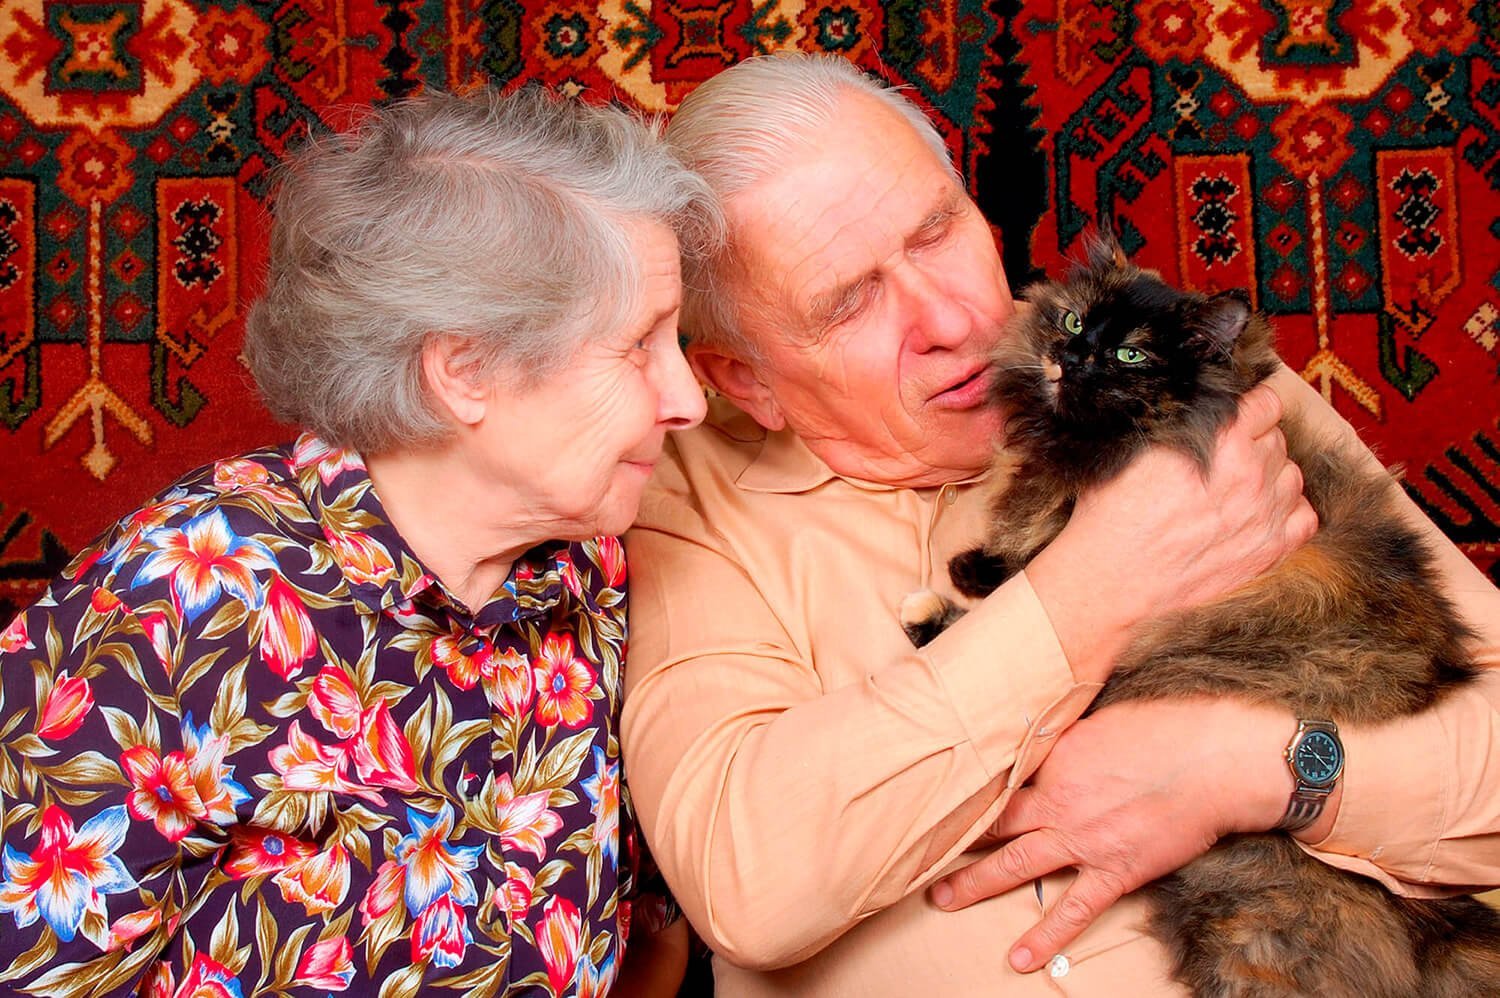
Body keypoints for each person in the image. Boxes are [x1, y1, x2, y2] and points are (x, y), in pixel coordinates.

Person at [620, 53, 1500, 994]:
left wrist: (1246, 768)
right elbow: (748, 883)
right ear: (744, 380)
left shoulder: (1191, 384)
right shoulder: (673, 499)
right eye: (850, 301)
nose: (951, 318)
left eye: (936, 231)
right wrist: (1097, 587)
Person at [0, 86, 718, 996]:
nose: (689, 400)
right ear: (465, 371)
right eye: (640, 346)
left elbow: (653, 931)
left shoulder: (595, 577)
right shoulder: (193, 597)